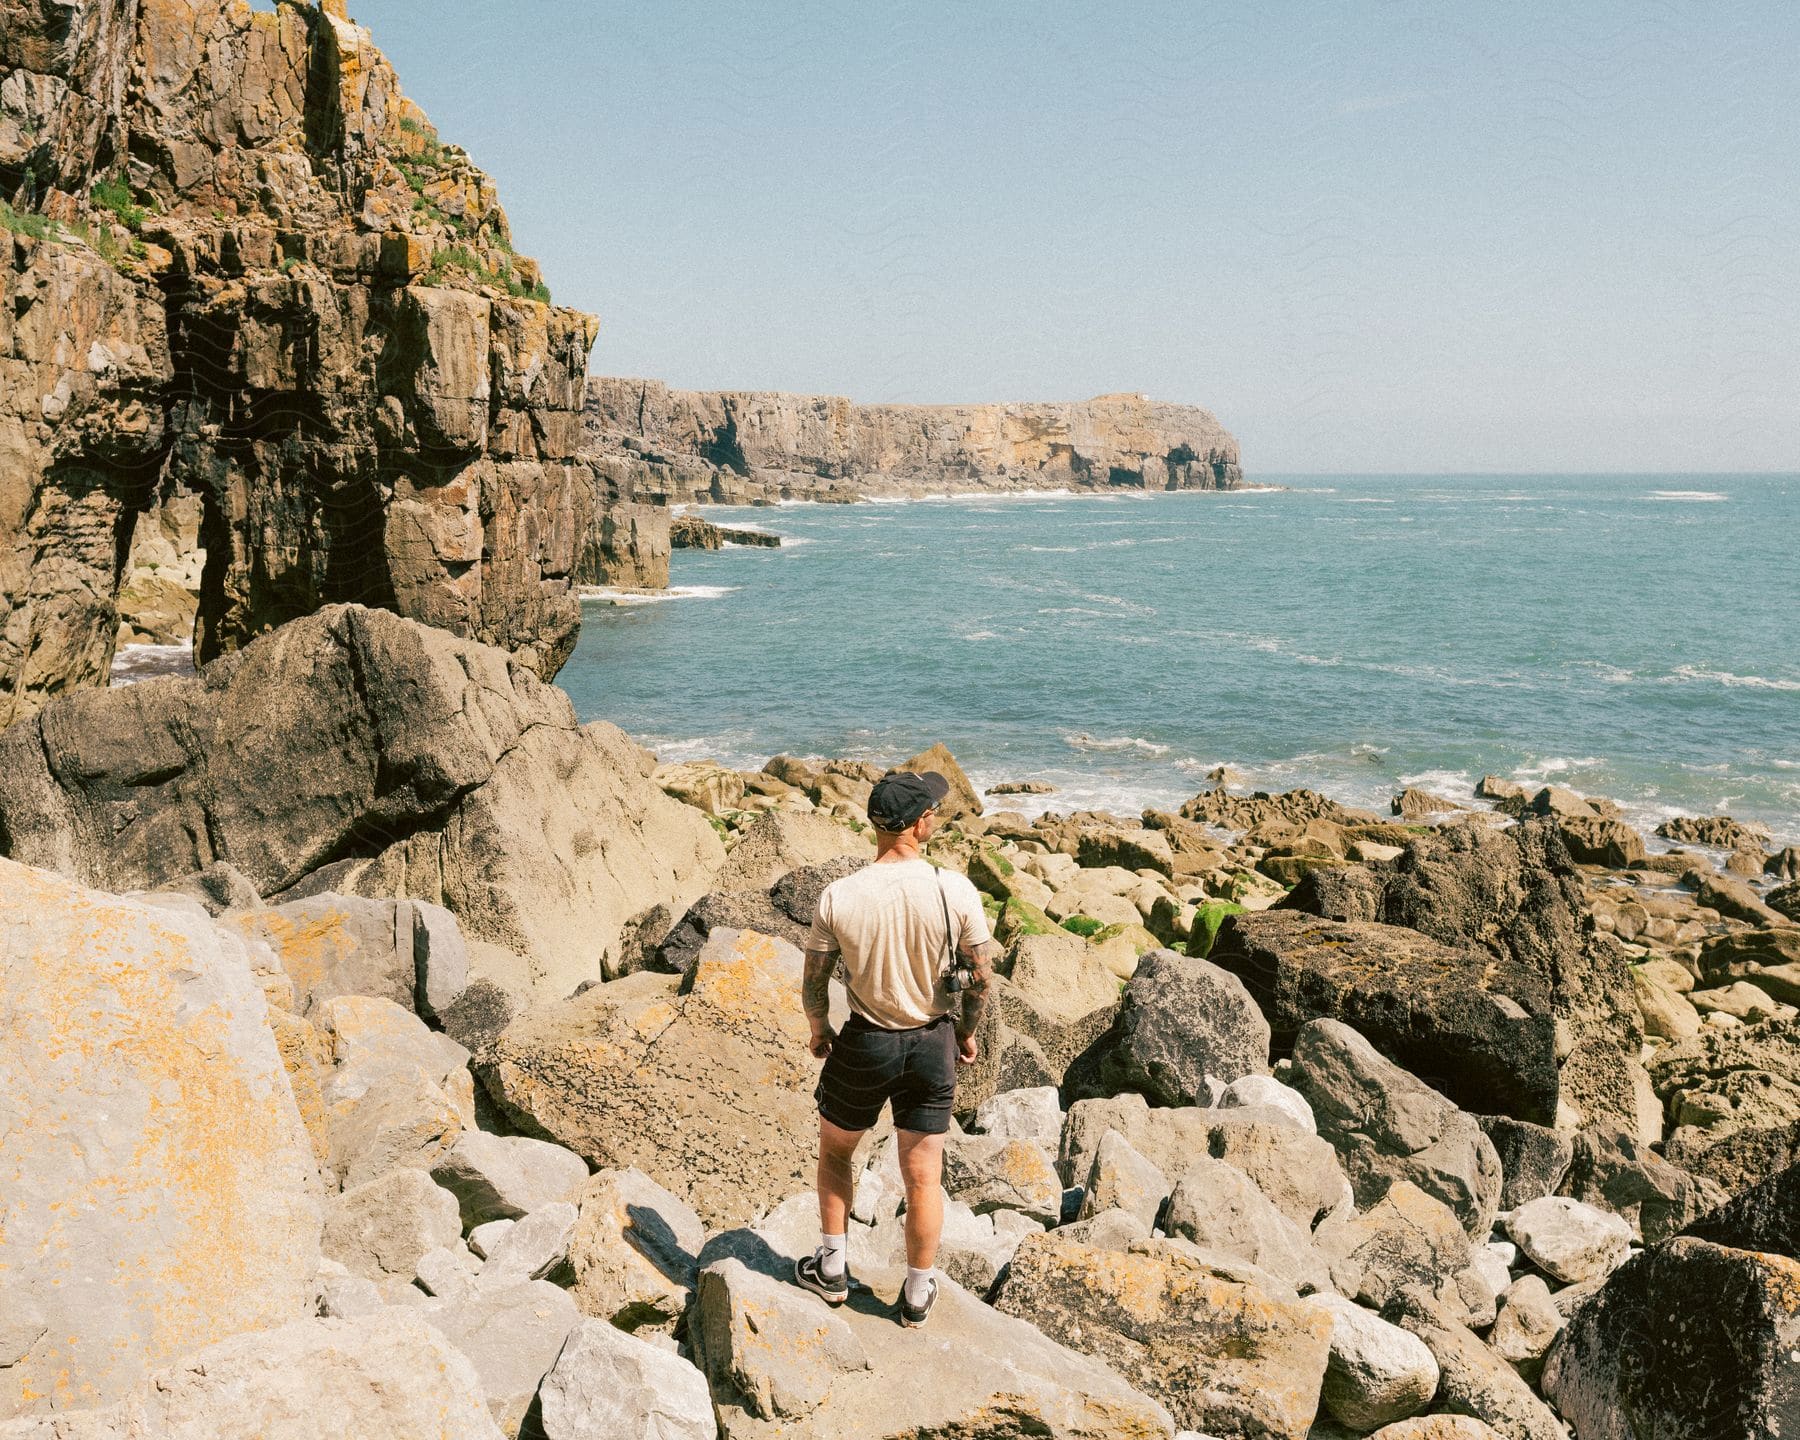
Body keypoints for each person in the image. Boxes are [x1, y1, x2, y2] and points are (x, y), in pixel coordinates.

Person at [795, 768, 998, 1327]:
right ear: (919, 822)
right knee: (923, 1176)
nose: (935, 815)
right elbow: (980, 979)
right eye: (932, 809)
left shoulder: (840, 895)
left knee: (836, 1152)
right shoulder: (952, 888)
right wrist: (966, 1033)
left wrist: (819, 1029)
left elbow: (815, 981)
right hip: (932, 1042)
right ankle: (914, 1295)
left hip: (866, 1041)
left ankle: (832, 1269)